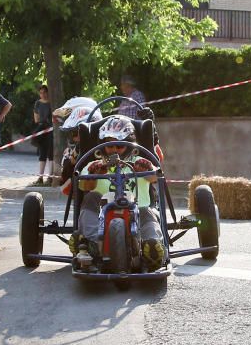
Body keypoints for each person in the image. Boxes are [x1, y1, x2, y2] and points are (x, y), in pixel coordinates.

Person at [71, 115, 162, 272]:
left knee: (147, 211)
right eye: (109, 145)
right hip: (102, 217)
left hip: (138, 212)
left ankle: (152, 248)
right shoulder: (94, 164)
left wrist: (146, 170)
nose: (114, 150)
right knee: (91, 197)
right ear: (103, 145)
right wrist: (94, 174)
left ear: (128, 143)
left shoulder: (139, 161)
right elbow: (84, 186)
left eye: (118, 146)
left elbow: (155, 177)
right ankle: (91, 245)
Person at [51, 99, 101, 194]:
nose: (74, 138)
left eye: (75, 133)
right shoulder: (78, 149)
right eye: (72, 133)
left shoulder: (82, 149)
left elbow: (65, 186)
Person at [32, 85, 53, 186]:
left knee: (51, 153)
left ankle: (51, 177)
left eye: (44, 92)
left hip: (51, 130)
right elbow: (36, 119)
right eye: (41, 93)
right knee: (42, 153)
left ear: (48, 92)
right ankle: (40, 177)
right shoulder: (37, 103)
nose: (43, 94)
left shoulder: (52, 103)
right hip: (41, 130)